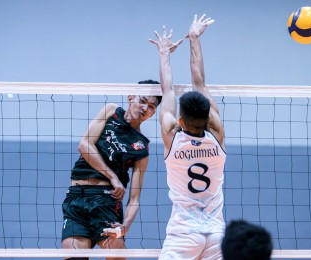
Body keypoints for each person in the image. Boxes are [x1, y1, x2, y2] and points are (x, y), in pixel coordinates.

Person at [149, 14, 225, 260]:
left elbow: (167, 89)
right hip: (216, 234)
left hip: (183, 233)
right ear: (208, 118)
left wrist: (164, 54)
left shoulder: (172, 135)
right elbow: (199, 82)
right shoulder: (217, 134)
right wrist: (194, 38)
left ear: (180, 121)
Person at [61, 80, 163, 260]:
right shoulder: (111, 111)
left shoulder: (141, 147)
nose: (145, 108)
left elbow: (134, 199)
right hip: (76, 198)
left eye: (151, 107)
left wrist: (125, 227)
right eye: (142, 101)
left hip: (106, 200)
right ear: (131, 96)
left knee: (116, 256)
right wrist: (113, 177)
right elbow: (84, 145)